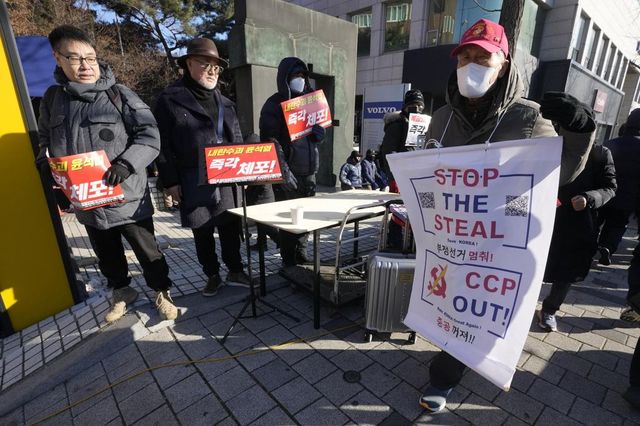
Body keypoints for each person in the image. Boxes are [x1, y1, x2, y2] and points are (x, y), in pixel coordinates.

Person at [418, 18, 595, 413]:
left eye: (482, 56)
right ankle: (449, 367)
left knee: (483, 308)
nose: (470, 65)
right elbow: (429, 169)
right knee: (450, 302)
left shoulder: (530, 117)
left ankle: (447, 373)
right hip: (454, 235)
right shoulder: (442, 117)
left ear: (504, 62)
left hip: (503, 237)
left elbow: (561, 171)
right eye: (464, 57)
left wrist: (581, 131)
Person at [37, 25, 177, 322]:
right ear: (57, 58)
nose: (86, 65)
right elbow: (45, 141)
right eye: (75, 58)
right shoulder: (52, 99)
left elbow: (150, 135)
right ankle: (122, 291)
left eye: (90, 57)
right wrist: (47, 166)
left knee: (148, 251)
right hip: (87, 200)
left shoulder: (119, 95)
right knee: (107, 254)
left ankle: (162, 291)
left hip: (127, 197)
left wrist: (126, 164)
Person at [154, 38, 251, 297]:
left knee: (230, 227)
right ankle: (211, 274)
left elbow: (237, 139)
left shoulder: (226, 103)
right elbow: (162, 146)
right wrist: (171, 182)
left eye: (216, 66)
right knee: (202, 231)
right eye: (204, 63)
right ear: (188, 63)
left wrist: (242, 172)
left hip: (228, 176)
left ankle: (235, 269)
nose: (212, 70)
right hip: (191, 177)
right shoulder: (169, 100)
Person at [537, 144, 616, 332]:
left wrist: (589, 198)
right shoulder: (548, 143)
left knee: (568, 270)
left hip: (577, 222)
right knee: (532, 265)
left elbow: (610, 187)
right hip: (541, 217)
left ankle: (549, 310)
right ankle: (520, 306)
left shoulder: (600, 153)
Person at [259, 57, 326, 267]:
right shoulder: (273, 104)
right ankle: (288, 262)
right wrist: (283, 171)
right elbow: (270, 141)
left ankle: (302, 253)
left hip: (309, 171)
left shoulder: (311, 101)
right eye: (295, 76)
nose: (300, 80)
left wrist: (319, 133)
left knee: (306, 218)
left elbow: (317, 137)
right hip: (288, 172)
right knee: (289, 222)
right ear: (285, 78)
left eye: (302, 76)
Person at [597, 109, 640, 266]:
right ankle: (607, 246)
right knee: (617, 225)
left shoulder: (610, 144)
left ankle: (589, 247)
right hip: (627, 198)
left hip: (604, 193)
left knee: (596, 222)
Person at [380, 89, 425, 193]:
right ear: (405, 107)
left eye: (420, 106)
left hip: (418, 175)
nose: (417, 109)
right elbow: (389, 153)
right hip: (400, 177)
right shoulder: (397, 125)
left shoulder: (424, 125)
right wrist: (394, 178)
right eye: (413, 105)